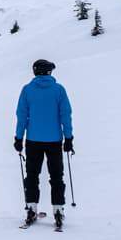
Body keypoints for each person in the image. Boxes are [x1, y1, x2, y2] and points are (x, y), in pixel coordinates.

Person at [15, 59, 74, 228]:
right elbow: (65, 115)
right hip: (54, 140)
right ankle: (58, 210)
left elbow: (22, 116)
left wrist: (19, 138)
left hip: (33, 140)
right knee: (56, 177)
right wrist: (68, 138)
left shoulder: (27, 90)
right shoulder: (59, 90)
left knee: (32, 176)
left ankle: (32, 208)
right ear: (49, 72)